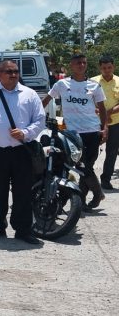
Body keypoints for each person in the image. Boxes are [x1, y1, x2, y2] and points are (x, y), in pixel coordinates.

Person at [0, 60, 46, 245]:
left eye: (15, 71)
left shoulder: (30, 95)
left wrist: (26, 133)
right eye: (8, 72)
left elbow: (40, 120)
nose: (13, 74)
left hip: (22, 151)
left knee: (23, 192)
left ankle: (23, 229)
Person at [43, 54, 107, 210]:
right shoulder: (62, 84)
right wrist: (34, 116)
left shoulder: (94, 86)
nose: (82, 65)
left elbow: (103, 109)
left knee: (86, 167)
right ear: (71, 65)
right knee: (81, 167)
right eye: (78, 63)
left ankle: (83, 200)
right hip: (71, 133)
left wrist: (104, 129)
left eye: (84, 62)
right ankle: (97, 193)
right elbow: (46, 100)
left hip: (92, 132)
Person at [92, 56, 119, 190]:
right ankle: (88, 180)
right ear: (100, 68)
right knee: (91, 151)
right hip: (95, 123)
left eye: (109, 67)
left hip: (115, 122)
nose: (107, 70)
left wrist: (108, 113)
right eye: (104, 68)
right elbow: (87, 101)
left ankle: (106, 179)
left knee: (112, 152)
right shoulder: (93, 82)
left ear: (113, 67)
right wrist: (100, 113)